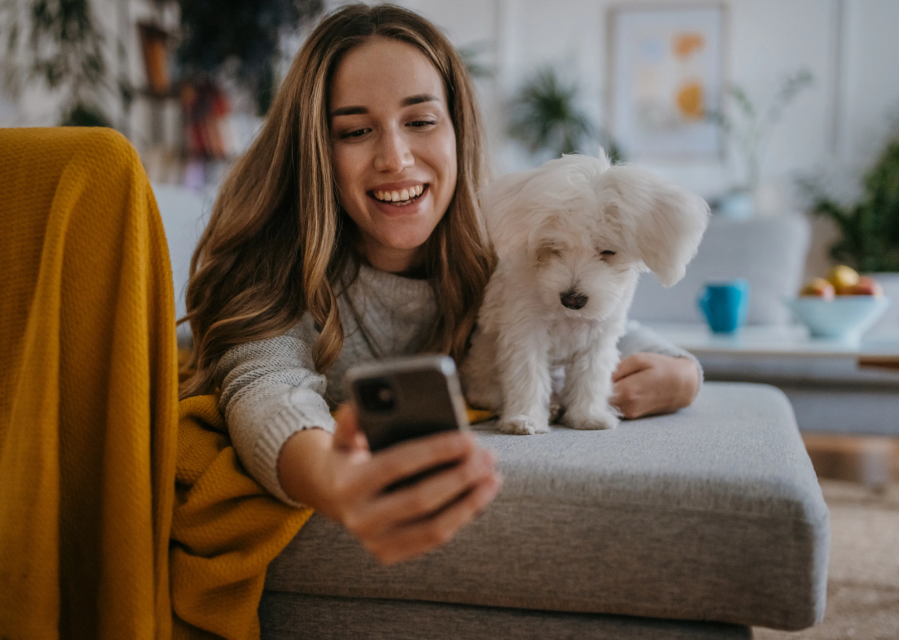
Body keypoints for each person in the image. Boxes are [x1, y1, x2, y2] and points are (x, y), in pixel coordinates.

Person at [179, 3, 701, 566]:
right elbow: (264, 386)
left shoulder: (497, 251)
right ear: (317, 152)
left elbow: (597, 322)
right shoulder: (276, 267)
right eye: (355, 131)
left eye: (421, 121)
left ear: (458, 130)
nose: (396, 159)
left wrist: (683, 373)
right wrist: (329, 476)